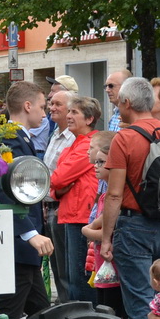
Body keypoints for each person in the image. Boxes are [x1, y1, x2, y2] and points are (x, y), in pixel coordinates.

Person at [98, 76, 160, 319]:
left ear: (127, 102)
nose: (117, 108)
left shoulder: (124, 138)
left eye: (119, 103)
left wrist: (106, 238)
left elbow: (115, 194)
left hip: (133, 228)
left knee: (141, 303)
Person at [0, 82, 54, 319]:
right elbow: (5, 191)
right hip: (18, 246)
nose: (44, 112)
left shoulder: (16, 137)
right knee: (6, 318)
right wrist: (30, 234)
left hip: (23, 251)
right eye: (42, 106)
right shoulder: (10, 139)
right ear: (27, 106)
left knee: (42, 317)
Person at [48, 93, 99, 302]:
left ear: (89, 119)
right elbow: (55, 185)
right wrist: (58, 188)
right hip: (70, 214)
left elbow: (57, 177)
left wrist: (59, 186)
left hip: (82, 216)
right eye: (69, 111)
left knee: (79, 279)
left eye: (74, 112)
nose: (69, 116)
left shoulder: (89, 145)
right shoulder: (73, 145)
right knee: (70, 276)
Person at [80, 132, 126, 318]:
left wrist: (87, 232)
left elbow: (107, 230)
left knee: (114, 312)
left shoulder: (115, 197)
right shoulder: (105, 197)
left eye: (101, 162)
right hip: (102, 268)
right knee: (104, 308)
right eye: (96, 161)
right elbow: (98, 224)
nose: (95, 167)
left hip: (113, 269)